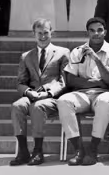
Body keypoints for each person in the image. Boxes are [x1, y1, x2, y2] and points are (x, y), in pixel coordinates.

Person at [58, 17, 109, 165]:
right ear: (87, 33)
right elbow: (71, 80)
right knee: (63, 100)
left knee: (106, 101)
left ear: (105, 32)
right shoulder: (77, 51)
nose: (96, 33)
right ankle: (78, 150)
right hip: (82, 94)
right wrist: (95, 82)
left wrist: (96, 59)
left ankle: (93, 149)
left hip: (104, 94)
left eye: (99, 30)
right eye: (92, 31)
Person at [10, 18, 70, 166]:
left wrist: (48, 93)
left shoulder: (63, 53)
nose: (43, 36)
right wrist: (28, 92)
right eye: (39, 33)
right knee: (17, 106)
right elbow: (20, 83)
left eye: (46, 33)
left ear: (52, 33)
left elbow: (64, 81)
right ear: (34, 34)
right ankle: (23, 152)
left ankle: (37, 151)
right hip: (32, 95)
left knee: (38, 107)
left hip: (53, 98)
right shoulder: (26, 56)